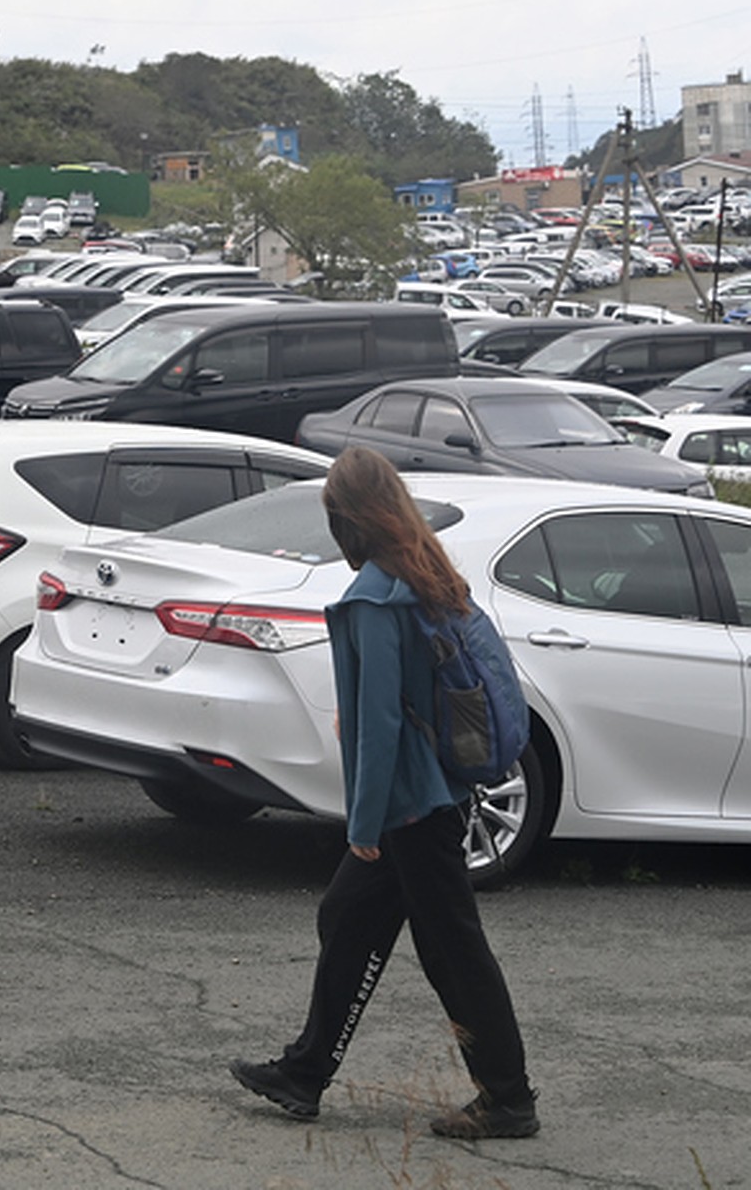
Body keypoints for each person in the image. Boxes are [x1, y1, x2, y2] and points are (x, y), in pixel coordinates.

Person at [229, 446, 538, 1140]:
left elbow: (379, 726)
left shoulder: (373, 596)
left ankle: (510, 1099)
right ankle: (305, 1073)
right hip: (438, 795)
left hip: (411, 806)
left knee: (453, 951)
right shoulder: (427, 573)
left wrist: (362, 825)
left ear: (346, 519)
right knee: (349, 916)